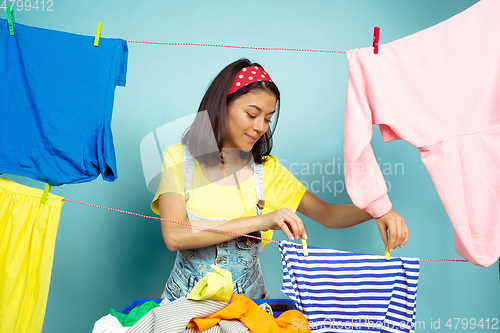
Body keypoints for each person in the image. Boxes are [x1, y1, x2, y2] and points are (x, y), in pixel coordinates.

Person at [150, 58, 409, 300]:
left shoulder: (268, 172)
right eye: (252, 114)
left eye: (267, 118)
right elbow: (174, 235)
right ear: (221, 107)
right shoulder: (178, 160)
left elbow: (328, 214)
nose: (260, 127)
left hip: (247, 307)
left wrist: (379, 210)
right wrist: (262, 220)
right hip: (184, 303)